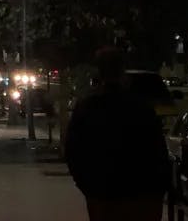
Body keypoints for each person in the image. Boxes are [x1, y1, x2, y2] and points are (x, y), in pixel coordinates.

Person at [65, 47, 171, 221]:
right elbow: (157, 148)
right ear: (122, 71)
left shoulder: (88, 106)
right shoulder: (139, 106)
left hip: (102, 190)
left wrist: (86, 185)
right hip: (138, 190)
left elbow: (73, 149)